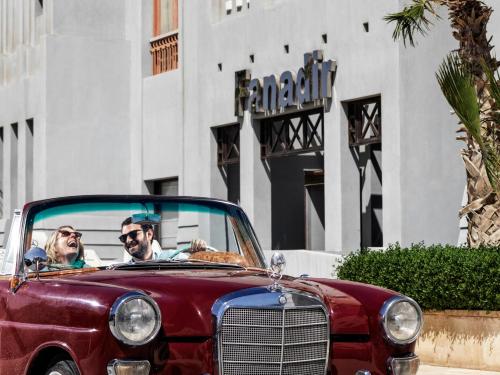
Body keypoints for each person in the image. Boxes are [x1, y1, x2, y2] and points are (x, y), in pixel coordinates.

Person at [119, 217, 207, 261]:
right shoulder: (121, 272)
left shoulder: (172, 259)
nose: (128, 240)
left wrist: (197, 255)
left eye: (133, 234)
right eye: (124, 237)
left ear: (149, 234)